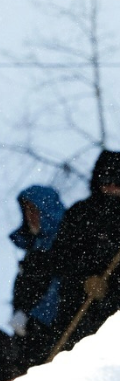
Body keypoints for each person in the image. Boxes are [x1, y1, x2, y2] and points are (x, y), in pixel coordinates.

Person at [49, 150, 120, 353]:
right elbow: (60, 258)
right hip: (80, 310)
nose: (112, 188)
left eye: (118, 183)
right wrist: (84, 279)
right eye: (107, 181)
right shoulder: (80, 214)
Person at [8, 185, 65, 369]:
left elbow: (56, 287)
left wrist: (33, 319)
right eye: (26, 210)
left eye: (34, 209)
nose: (30, 215)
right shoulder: (35, 246)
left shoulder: (60, 243)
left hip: (49, 331)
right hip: (30, 330)